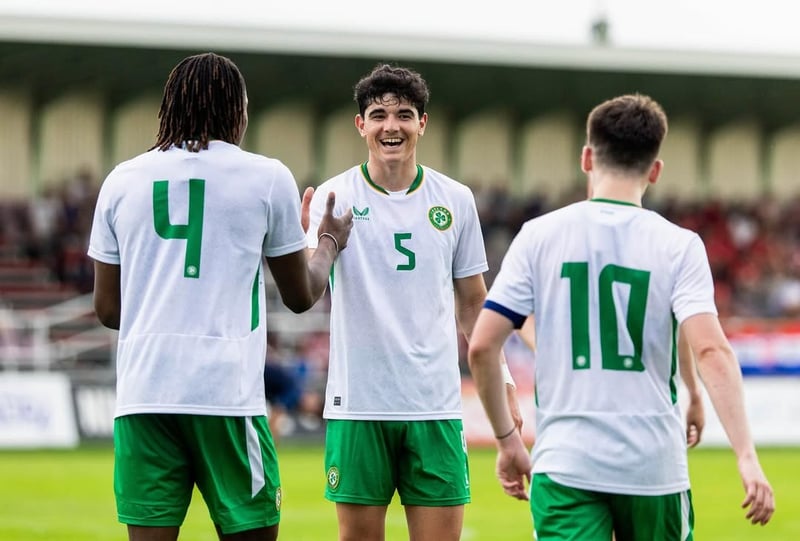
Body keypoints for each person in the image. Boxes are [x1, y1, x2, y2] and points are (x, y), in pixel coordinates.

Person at [467, 93, 774, 540]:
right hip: (652, 467)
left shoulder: (538, 236)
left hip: (566, 464)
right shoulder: (679, 245)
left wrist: (506, 441)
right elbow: (710, 348)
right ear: (655, 170)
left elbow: (481, 346)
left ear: (587, 158)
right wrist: (744, 453)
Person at [88, 52, 352, 541]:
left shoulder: (121, 179)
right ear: (236, 111)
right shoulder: (266, 177)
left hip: (144, 395)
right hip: (225, 395)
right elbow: (301, 296)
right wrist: (328, 242)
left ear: (170, 107)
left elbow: (107, 309)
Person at [304, 63, 522, 541]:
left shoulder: (455, 199)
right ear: (360, 124)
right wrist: (310, 244)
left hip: (435, 407)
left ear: (422, 123)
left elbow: (473, 304)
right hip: (358, 406)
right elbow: (306, 291)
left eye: (404, 115)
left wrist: (503, 377)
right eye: (378, 115)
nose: (392, 126)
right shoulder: (332, 197)